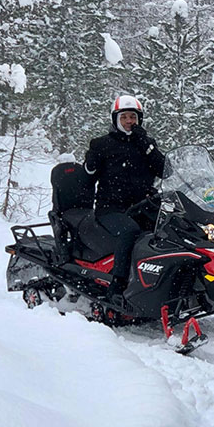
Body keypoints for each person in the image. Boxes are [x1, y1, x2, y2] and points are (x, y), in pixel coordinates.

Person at [84, 94, 165, 296]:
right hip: (111, 207)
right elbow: (88, 175)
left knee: (170, 229)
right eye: (124, 117)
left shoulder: (146, 143)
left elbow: (165, 170)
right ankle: (119, 283)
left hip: (143, 205)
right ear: (116, 119)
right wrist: (90, 162)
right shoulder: (102, 144)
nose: (129, 121)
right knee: (130, 231)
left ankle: (164, 282)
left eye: (133, 117)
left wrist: (146, 145)